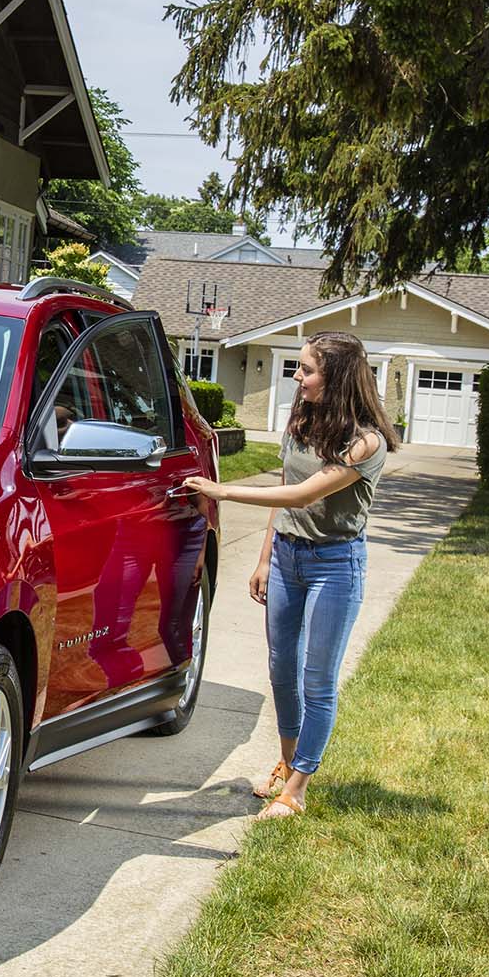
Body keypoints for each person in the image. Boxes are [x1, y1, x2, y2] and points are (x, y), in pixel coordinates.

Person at [180, 331, 398, 819]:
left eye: (307, 370)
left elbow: (305, 495)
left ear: (336, 377)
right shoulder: (301, 420)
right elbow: (286, 485)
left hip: (336, 565)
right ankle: (285, 761)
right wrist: (264, 558)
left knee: (316, 679)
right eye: (298, 368)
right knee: (281, 669)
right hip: (287, 558)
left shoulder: (367, 443)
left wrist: (224, 492)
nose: (297, 378)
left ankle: (296, 788)